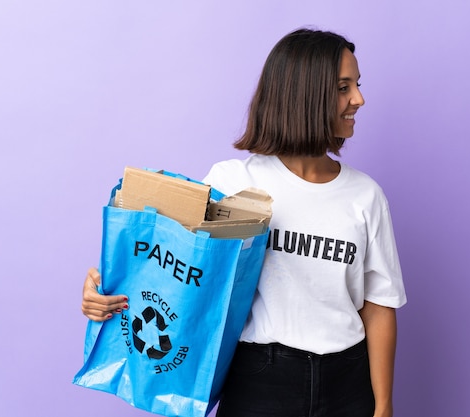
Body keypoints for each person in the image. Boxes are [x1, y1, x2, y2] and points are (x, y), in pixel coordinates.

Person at [81, 28, 406, 417]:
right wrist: (106, 287)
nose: (359, 98)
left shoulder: (365, 196)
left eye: (356, 84)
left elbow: (379, 305)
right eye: (342, 87)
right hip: (261, 382)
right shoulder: (233, 184)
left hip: (348, 384)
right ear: (305, 94)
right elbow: (172, 267)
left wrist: (383, 405)